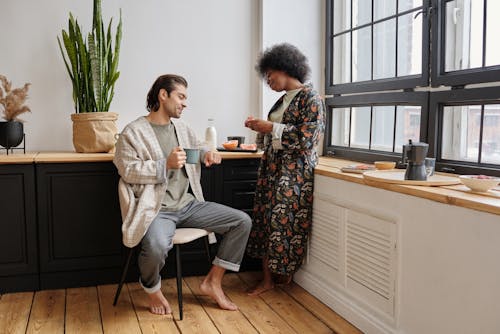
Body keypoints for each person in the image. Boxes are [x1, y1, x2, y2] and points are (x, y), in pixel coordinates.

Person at [113, 74, 252, 315]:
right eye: (181, 96)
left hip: (188, 205)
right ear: (163, 95)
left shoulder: (182, 128)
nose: (185, 103)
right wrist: (163, 165)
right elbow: (127, 169)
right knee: (155, 246)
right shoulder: (133, 132)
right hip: (158, 209)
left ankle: (213, 281)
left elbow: (197, 149)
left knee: (242, 221)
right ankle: (152, 288)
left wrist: (208, 153)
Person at [244, 43, 325, 295]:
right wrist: (259, 130)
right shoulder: (281, 102)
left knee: (285, 224)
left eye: (270, 75)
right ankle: (267, 279)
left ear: (285, 68)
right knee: (265, 223)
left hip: (294, 173)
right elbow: (275, 136)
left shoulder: (311, 98)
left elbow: (309, 138)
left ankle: (283, 277)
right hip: (271, 168)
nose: (268, 81)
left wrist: (270, 128)